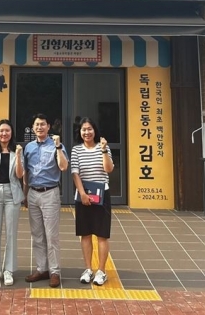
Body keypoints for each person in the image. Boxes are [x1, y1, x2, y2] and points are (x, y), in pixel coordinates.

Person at [23, 113, 69, 288]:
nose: (40, 127)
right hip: (33, 193)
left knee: (51, 235)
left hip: (50, 193)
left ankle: (55, 271)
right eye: (37, 124)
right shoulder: (28, 147)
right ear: (33, 128)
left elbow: (63, 167)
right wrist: (25, 194)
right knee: (37, 235)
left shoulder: (57, 145)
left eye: (43, 124)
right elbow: (26, 173)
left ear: (49, 127)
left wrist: (58, 147)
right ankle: (42, 269)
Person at [71, 117, 114, 286]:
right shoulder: (76, 150)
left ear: (95, 131)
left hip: (102, 196)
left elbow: (108, 169)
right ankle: (88, 269)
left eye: (90, 129)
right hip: (83, 196)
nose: (87, 132)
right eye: (84, 129)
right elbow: (75, 173)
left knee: (102, 235)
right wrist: (82, 193)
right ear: (80, 132)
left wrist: (103, 150)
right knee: (85, 234)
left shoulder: (104, 147)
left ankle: (101, 271)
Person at [0, 119, 24, 286]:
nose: (4, 134)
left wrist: (18, 156)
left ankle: (8, 270)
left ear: (11, 133)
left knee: (11, 233)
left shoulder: (17, 150)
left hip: (11, 193)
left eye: (7, 131)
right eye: (1, 131)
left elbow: (20, 175)